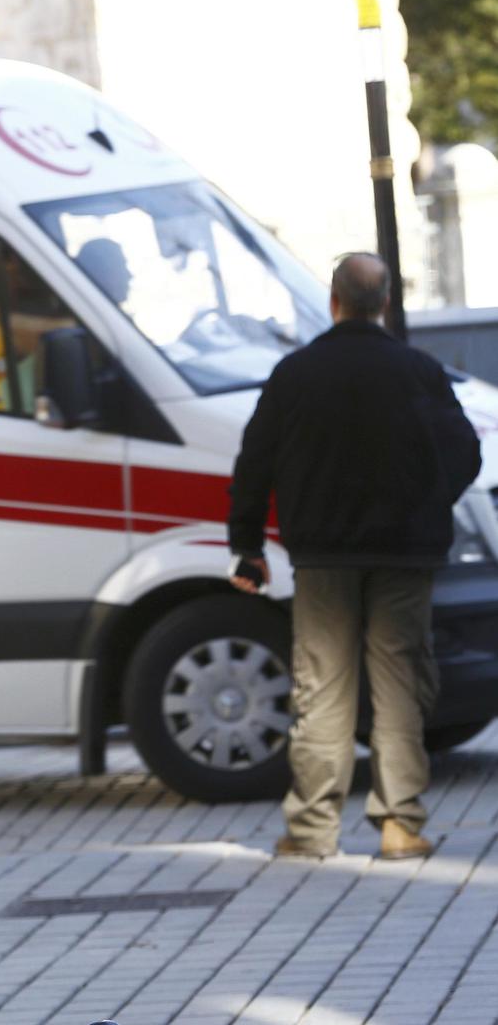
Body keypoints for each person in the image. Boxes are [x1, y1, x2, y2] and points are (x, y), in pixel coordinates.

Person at [227, 252, 480, 861]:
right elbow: (465, 453)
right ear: (385, 302)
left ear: (334, 302)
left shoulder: (295, 374)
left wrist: (247, 546)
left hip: (323, 557)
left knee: (322, 687)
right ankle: (400, 824)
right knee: (400, 684)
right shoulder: (419, 371)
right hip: (405, 554)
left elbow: (254, 462)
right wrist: (426, 503)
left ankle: (313, 828)